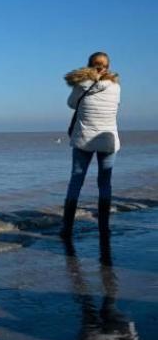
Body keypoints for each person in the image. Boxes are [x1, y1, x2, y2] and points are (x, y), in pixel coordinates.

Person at [61, 52, 120, 241]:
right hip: (108, 142)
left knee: (76, 181)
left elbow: (71, 104)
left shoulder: (81, 85)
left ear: (89, 65)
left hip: (84, 140)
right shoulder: (116, 87)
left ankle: (67, 229)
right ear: (108, 67)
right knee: (105, 184)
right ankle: (104, 228)